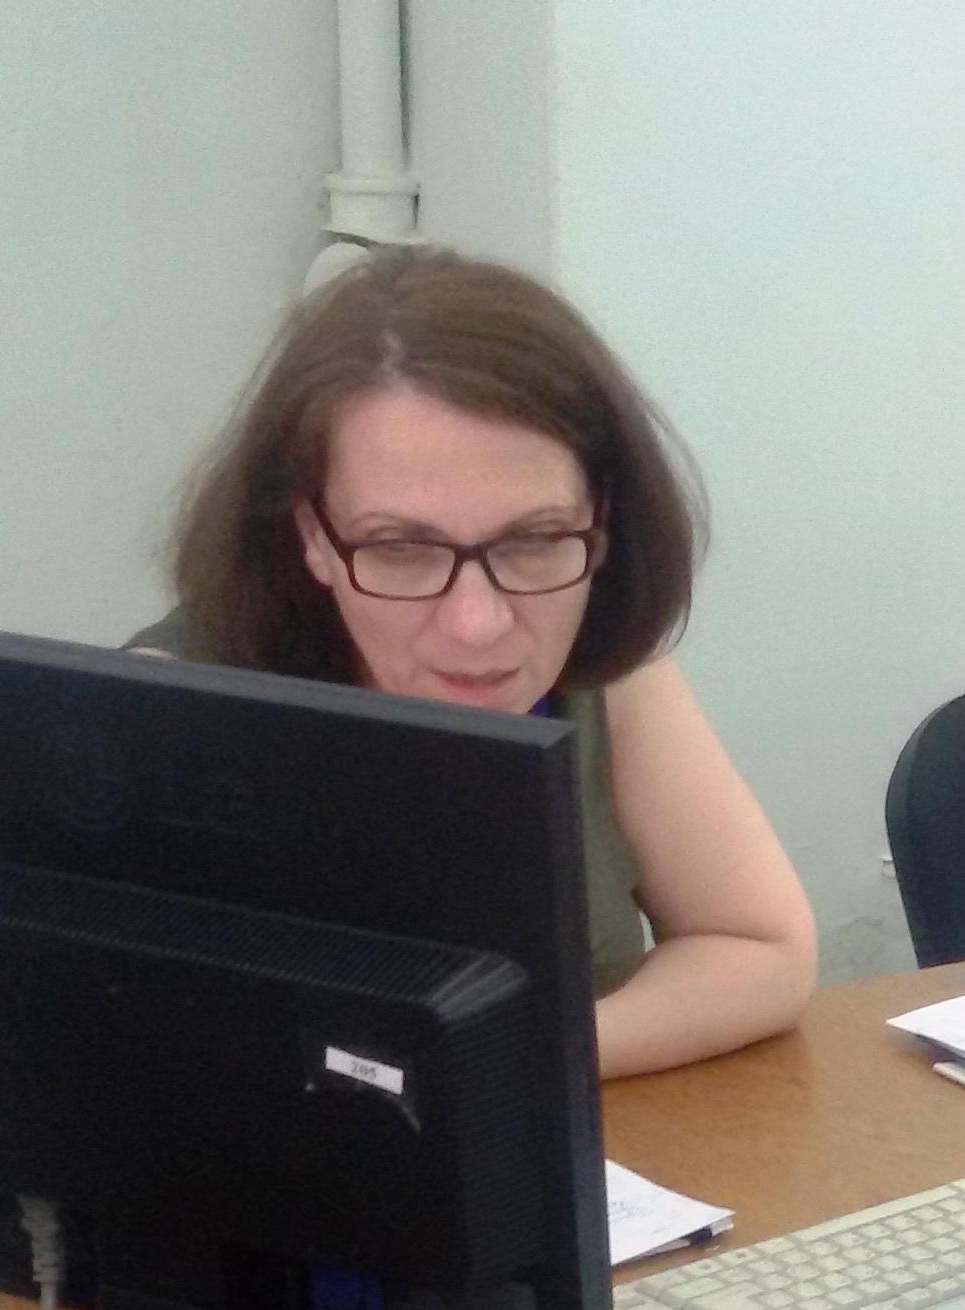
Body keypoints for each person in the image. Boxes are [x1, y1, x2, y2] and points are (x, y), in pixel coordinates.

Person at [132, 248, 816, 1081]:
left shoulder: (598, 662)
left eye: (534, 539)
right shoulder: (178, 709)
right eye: (400, 548)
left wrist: (509, 1069)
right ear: (312, 536)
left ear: (601, 522)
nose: (478, 624)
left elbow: (760, 947)